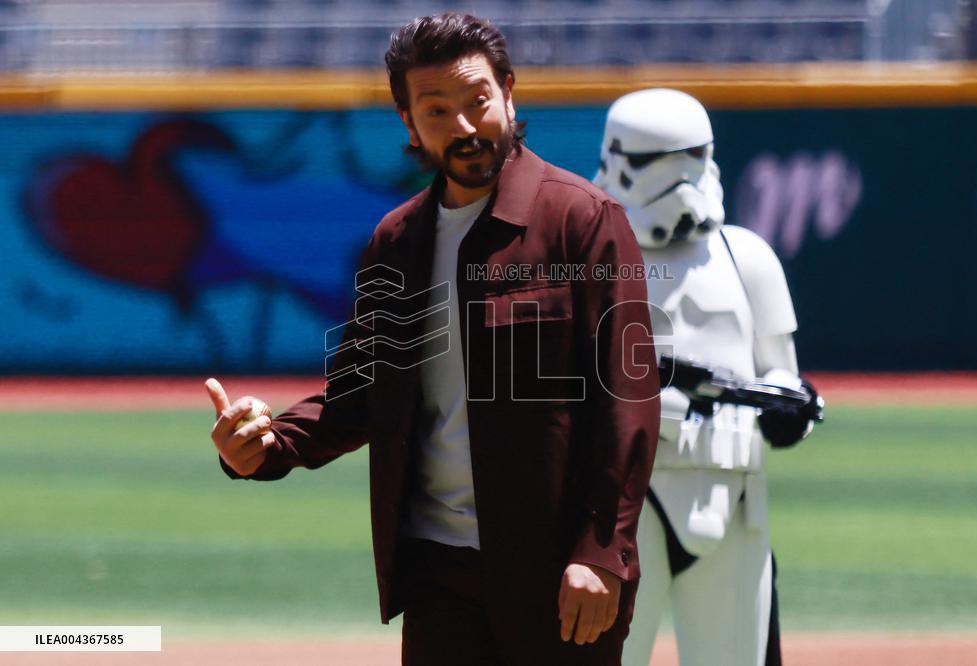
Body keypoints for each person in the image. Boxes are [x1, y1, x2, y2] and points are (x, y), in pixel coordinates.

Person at [205, 14, 660, 666]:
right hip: (436, 576)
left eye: (477, 100)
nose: (465, 126)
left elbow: (630, 399)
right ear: (410, 123)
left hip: (558, 574)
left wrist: (603, 550)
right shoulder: (396, 242)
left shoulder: (583, 220)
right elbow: (361, 396)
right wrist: (268, 444)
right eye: (438, 110)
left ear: (508, 93)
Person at [593, 88, 821, 666]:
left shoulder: (746, 257)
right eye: (656, 161)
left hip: (733, 497)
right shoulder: (585, 257)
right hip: (619, 506)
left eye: (692, 157)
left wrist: (789, 408)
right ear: (618, 161)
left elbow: (781, 375)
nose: (678, 178)